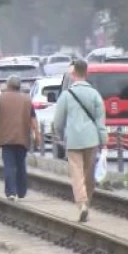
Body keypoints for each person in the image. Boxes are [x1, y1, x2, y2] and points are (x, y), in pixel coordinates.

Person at [53, 59, 107, 223]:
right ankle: (87, 202)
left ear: (74, 73)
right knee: (89, 175)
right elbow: (100, 120)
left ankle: (82, 204)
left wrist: (61, 136)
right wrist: (103, 140)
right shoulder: (95, 94)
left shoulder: (66, 95)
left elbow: (58, 121)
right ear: (86, 73)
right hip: (92, 139)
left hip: (74, 140)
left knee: (76, 174)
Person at [0, 75, 41, 200]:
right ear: (19, 86)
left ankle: (11, 192)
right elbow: (33, 118)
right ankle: (22, 191)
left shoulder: (1, 98)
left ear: (8, 85)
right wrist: (37, 134)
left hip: (6, 138)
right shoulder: (27, 99)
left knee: (9, 165)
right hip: (22, 137)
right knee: (20, 164)